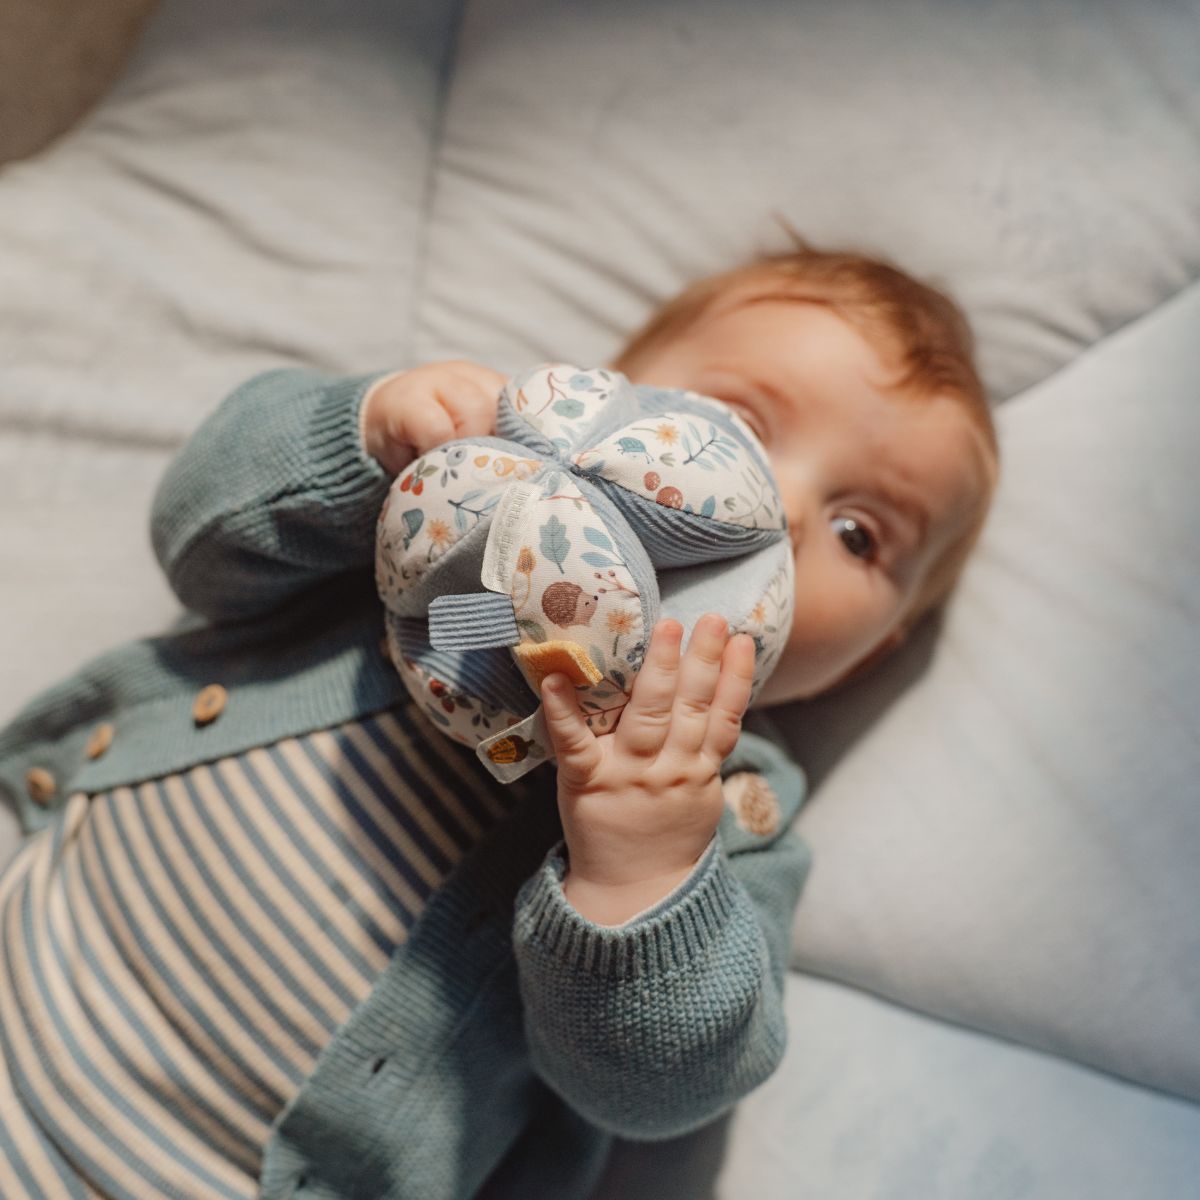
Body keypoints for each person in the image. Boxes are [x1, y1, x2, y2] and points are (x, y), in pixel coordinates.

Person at [0, 241, 997, 1199]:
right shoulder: (435, 553)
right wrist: (369, 437)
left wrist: (642, 869)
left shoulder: (728, 810)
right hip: (31, 934)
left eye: (859, 532)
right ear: (601, 400)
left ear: (867, 657)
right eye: (732, 424)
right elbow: (197, 531)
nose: (774, 508)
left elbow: (669, 1092)